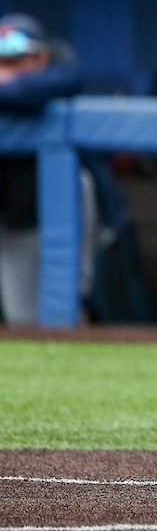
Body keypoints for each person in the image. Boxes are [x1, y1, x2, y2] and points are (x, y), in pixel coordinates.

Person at [0, 16, 98, 325]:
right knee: (21, 318)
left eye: (18, 59)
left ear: (42, 57)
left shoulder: (58, 74)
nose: (10, 68)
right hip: (8, 215)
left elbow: (65, 79)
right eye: (3, 61)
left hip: (47, 211)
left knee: (62, 313)